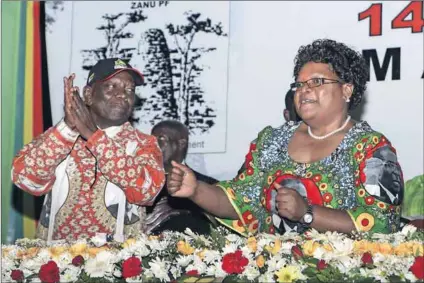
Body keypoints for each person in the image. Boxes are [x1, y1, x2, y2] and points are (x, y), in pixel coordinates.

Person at [166, 39, 404, 236]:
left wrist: (308, 213)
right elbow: (240, 201)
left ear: (347, 90)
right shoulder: (272, 141)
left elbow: (383, 224)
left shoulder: (370, 148)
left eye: (317, 82)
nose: (304, 90)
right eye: (299, 84)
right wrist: (196, 190)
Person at [11, 58, 165, 242]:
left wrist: (94, 137)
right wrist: (68, 127)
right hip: (55, 263)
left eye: (129, 90)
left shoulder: (144, 144)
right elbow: (25, 178)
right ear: (89, 94)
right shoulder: (60, 137)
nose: (122, 94)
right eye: (111, 87)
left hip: (120, 266)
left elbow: (147, 191)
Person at [145, 120, 218, 235]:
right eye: (150, 140)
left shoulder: (209, 186)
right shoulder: (139, 184)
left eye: (161, 139)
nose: (152, 144)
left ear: (181, 143)